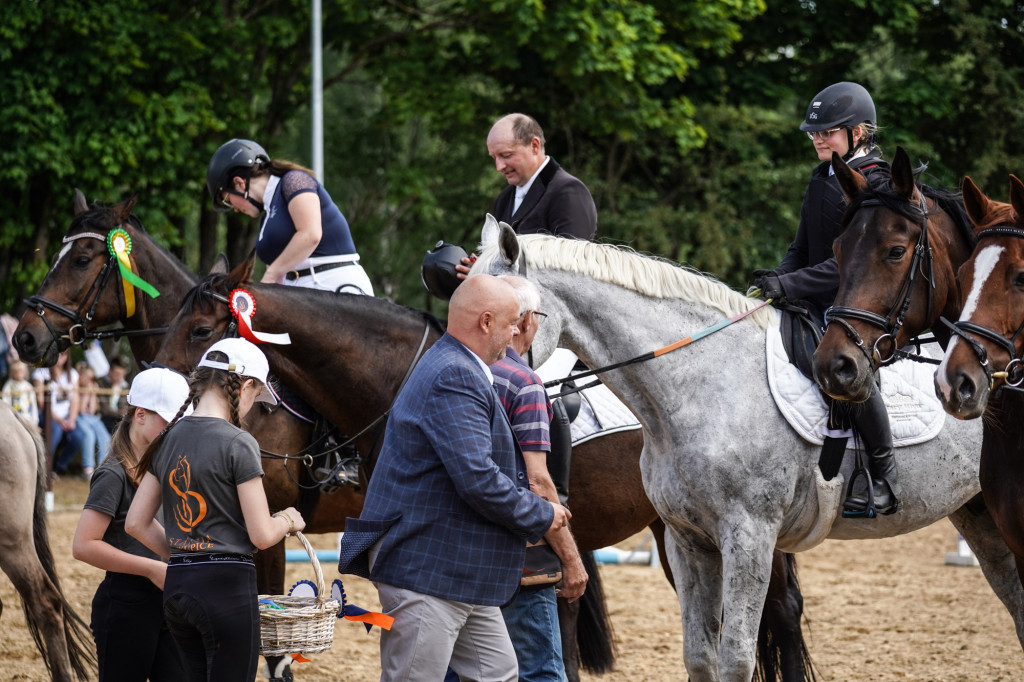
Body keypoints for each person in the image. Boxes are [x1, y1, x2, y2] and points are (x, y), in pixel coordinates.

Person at [337, 274, 570, 682]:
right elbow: (478, 478)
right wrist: (541, 513)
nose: (518, 331)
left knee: (498, 673)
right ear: (485, 322)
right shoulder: (455, 374)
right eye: (512, 322)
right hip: (427, 569)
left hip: (458, 570)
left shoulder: (460, 364)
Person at [750, 81, 898, 516]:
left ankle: (883, 474)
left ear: (859, 132)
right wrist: (776, 277)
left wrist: (792, 285)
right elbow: (802, 249)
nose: (818, 138)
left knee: (846, 367)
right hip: (818, 299)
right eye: (814, 132)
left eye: (828, 131)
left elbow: (856, 266)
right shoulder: (822, 177)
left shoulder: (877, 182)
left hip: (861, 303)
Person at [125, 338, 306, 682]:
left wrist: (186, 551)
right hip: (227, 591)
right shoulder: (239, 443)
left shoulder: (168, 437)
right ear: (246, 385)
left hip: (178, 588)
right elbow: (262, 535)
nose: (252, 407)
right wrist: (287, 519)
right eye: (255, 397)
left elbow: (136, 523)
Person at [491, 275, 587, 682]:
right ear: (527, 320)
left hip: (460, 564)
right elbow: (539, 484)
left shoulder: (451, 367)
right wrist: (571, 558)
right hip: (521, 560)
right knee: (541, 671)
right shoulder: (525, 383)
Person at [72, 368, 193, 681]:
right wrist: (151, 569)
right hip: (125, 606)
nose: (176, 430)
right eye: (170, 421)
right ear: (140, 415)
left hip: (170, 601)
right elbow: (84, 545)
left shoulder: (167, 467)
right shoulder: (112, 474)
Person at [205, 138, 373, 295]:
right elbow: (278, 276)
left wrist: (270, 275)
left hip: (334, 285)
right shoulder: (267, 220)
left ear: (239, 183)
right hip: (299, 293)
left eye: (227, 200)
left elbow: (310, 234)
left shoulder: (294, 181)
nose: (233, 209)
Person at [487, 113, 597, 240]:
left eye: (506, 155)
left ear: (534, 146)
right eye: (494, 158)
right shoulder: (504, 199)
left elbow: (575, 257)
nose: (499, 167)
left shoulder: (568, 191)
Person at [33, 350, 84, 476]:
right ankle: (44, 467)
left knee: (79, 437)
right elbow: (41, 403)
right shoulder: (41, 373)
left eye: (64, 353)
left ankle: (60, 467)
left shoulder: (72, 374)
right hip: (48, 415)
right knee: (55, 431)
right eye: (58, 352)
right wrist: (60, 420)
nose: (61, 356)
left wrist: (71, 419)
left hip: (67, 417)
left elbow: (75, 399)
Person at [76, 361, 112, 477]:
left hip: (91, 417)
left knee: (106, 437)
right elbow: (81, 410)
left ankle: (102, 467)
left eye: (92, 379)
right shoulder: (76, 388)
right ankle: (88, 467)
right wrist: (87, 394)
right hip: (80, 417)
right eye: (88, 378)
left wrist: (92, 395)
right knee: (89, 435)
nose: (90, 382)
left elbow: (91, 410)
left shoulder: (91, 389)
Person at [97, 354, 130, 433]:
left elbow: (124, 404)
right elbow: (103, 408)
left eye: (121, 374)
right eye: (116, 373)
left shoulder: (125, 387)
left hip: (119, 419)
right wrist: (119, 413)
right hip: (103, 418)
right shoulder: (100, 383)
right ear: (109, 371)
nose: (119, 377)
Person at [2, 360, 38, 425]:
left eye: (21, 371)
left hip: (28, 418)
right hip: (14, 419)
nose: (18, 374)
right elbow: (5, 403)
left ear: (25, 372)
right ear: (12, 373)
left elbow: (33, 405)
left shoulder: (28, 387)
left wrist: (35, 421)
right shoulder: (9, 386)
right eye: (16, 372)